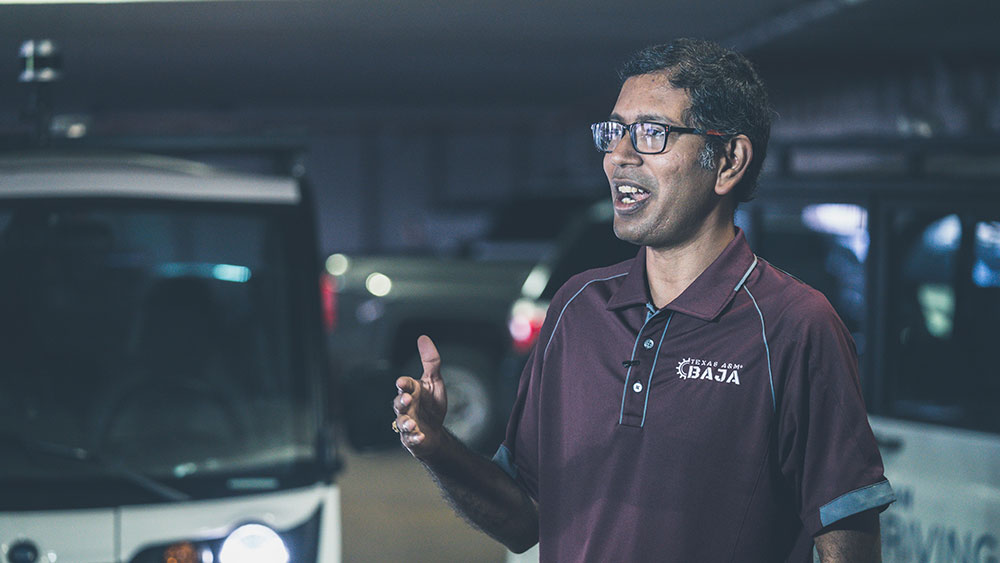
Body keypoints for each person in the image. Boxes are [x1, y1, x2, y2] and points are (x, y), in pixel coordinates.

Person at [392, 38, 894, 562]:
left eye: (652, 133)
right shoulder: (576, 309)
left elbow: (849, 541)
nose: (618, 157)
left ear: (728, 161)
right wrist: (437, 447)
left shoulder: (795, 326)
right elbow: (525, 519)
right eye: (614, 132)